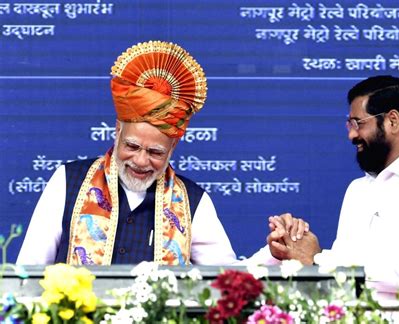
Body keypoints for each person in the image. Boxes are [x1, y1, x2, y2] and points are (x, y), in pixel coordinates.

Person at [17, 40, 308, 266]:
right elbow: (27, 272)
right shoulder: (68, 182)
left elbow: (226, 280)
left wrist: (274, 254)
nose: (141, 161)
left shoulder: (193, 201)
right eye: (131, 146)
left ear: (173, 146)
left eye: (155, 152)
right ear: (117, 130)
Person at [271, 75, 399, 297]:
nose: (351, 135)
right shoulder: (358, 190)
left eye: (358, 123)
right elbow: (342, 277)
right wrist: (293, 245)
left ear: (392, 121)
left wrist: (316, 258)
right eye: (349, 124)